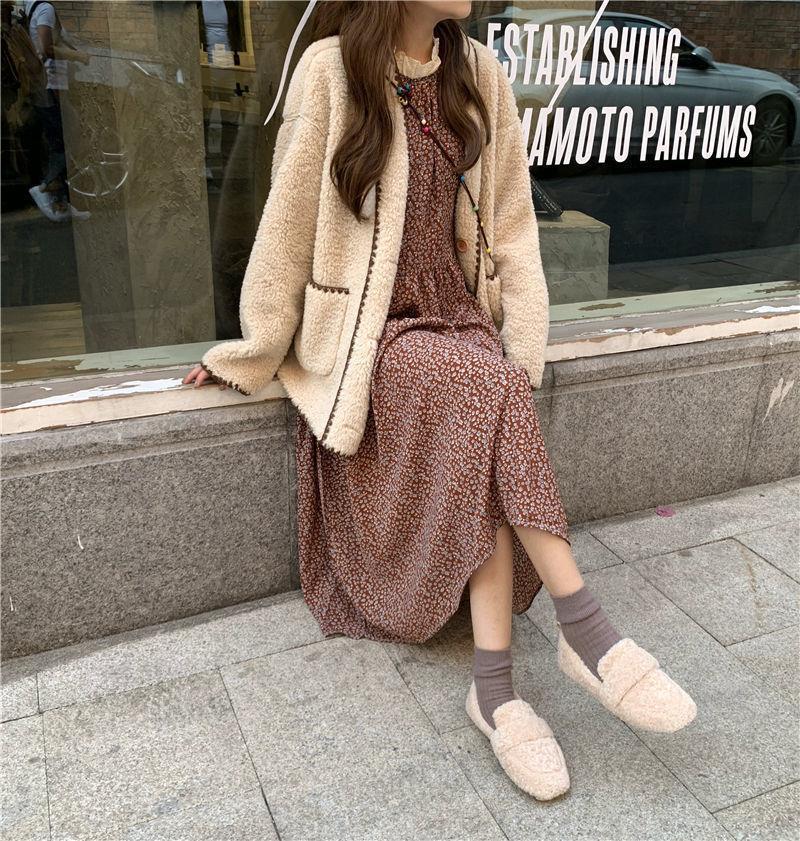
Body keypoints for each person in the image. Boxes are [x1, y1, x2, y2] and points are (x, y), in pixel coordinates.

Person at [183, 1, 697, 801]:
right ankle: (585, 629)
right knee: (485, 388)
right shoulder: (331, 70)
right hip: (371, 334)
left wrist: (522, 340)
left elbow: (513, 223)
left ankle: (495, 689)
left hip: (457, 315)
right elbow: (285, 228)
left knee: (488, 389)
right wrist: (250, 354)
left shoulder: (479, 73)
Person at [22, 0, 88, 220]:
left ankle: (60, 202)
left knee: (59, 141)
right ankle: (46, 188)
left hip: (49, 87)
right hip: (52, 87)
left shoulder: (35, 8)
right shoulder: (45, 9)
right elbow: (47, 49)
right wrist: (78, 56)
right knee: (64, 141)